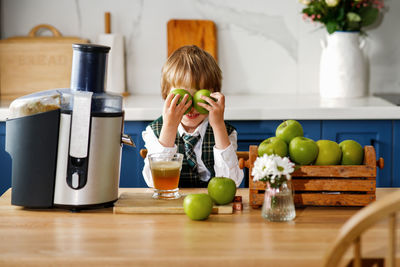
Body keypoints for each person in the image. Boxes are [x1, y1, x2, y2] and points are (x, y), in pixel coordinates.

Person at [142, 45, 244, 188]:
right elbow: (154, 182)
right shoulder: (155, 131)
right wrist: (169, 127)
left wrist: (218, 125)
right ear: (166, 95)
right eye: (182, 97)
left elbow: (231, 182)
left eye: (198, 96)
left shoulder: (226, 132)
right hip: (171, 203)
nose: (190, 106)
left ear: (214, 95)